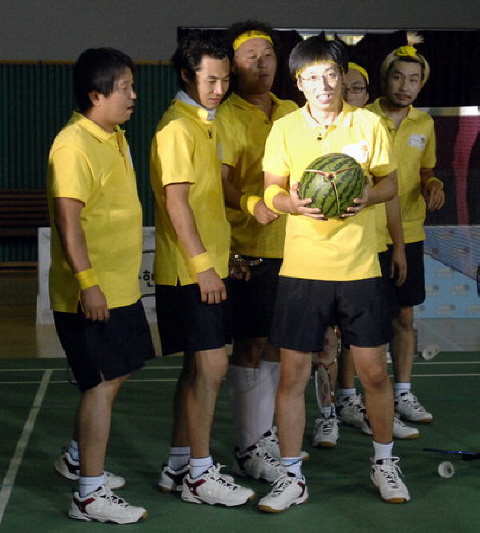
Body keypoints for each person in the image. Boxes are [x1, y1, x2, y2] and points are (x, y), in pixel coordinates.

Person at [257, 33, 410, 513]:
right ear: (298, 82)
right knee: (291, 376)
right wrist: (291, 204)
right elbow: (270, 192)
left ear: (342, 76)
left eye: (331, 75)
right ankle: (290, 476)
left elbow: (389, 183)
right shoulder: (284, 129)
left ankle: (384, 461)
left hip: (361, 267)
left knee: (372, 374)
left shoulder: (368, 123)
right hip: (302, 270)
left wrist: (368, 197)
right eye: (311, 77)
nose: (323, 85)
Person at [49, 47, 154, 524]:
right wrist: (88, 284)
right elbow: (68, 223)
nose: (134, 95)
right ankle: (88, 495)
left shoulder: (114, 137)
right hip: (90, 293)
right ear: (97, 95)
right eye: (125, 88)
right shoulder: (72, 145)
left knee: (118, 373)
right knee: (99, 384)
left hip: (121, 287)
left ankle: (76, 457)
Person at [150, 30, 254, 507]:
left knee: (197, 368)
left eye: (225, 79)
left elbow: (206, 203)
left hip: (210, 264)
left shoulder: (204, 123)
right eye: (210, 80)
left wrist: (225, 254)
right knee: (212, 365)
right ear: (187, 76)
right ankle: (199, 472)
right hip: (191, 272)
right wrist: (203, 267)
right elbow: (176, 205)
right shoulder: (177, 128)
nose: (219, 88)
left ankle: (178, 464)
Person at [315, 62, 418, 445]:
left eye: (359, 88)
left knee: (365, 342)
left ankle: (352, 404)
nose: (353, 94)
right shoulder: (318, 133)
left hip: (370, 253)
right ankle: (328, 412)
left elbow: (389, 195)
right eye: (348, 88)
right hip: (325, 255)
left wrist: (398, 246)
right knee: (327, 339)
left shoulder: (373, 131)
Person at [216, 21, 299, 483]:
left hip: (295, 250)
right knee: (248, 345)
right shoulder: (226, 114)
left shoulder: (292, 111)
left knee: (277, 346)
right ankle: (248, 446)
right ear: (233, 65)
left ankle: (263, 434)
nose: (262, 64)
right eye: (251, 57)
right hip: (248, 249)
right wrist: (249, 208)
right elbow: (222, 182)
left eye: (267, 55)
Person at [367, 32, 445, 424]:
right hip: (368, 233)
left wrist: (433, 183)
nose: (405, 85)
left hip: (410, 233)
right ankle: (363, 397)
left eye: (413, 79)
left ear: (421, 83)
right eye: (398, 77)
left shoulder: (425, 123)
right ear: (386, 78)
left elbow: (425, 168)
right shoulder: (364, 118)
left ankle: (403, 393)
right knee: (365, 321)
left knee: (404, 318)